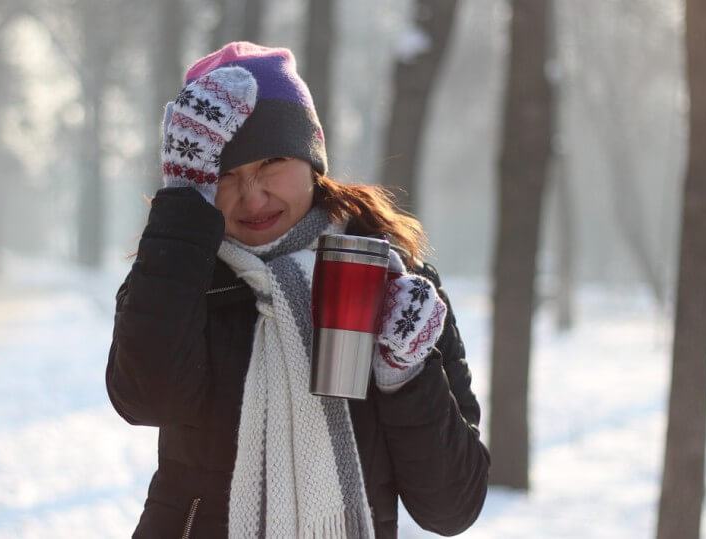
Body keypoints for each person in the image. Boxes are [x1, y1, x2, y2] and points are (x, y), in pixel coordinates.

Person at [107, 41, 489, 538]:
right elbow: (146, 400)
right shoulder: (178, 276)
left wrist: (406, 373)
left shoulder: (398, 285)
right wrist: (182, 207)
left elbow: (452, 508)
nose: (253, 195)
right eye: (224, 174)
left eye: (271, 162)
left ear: (312, 158)